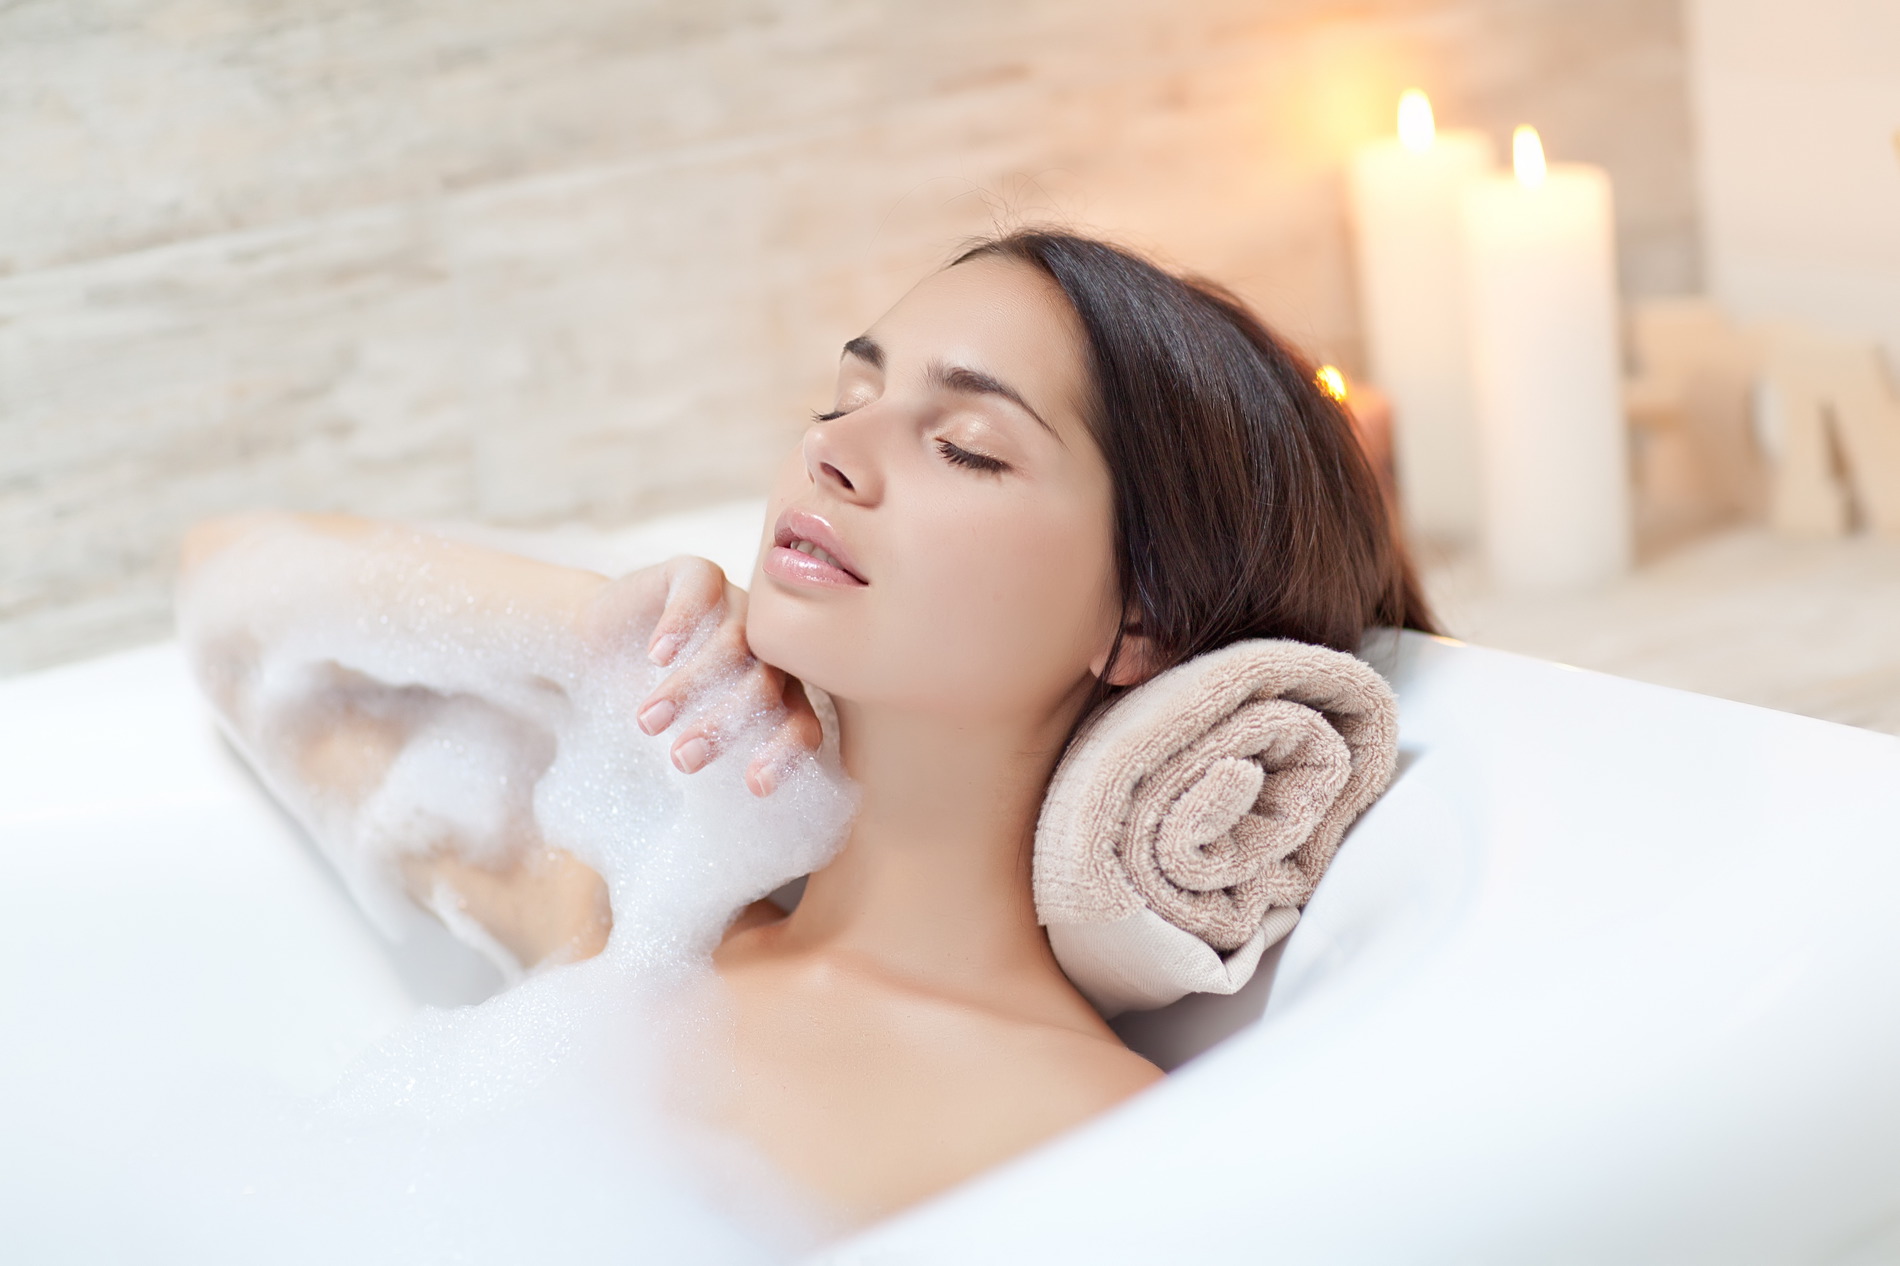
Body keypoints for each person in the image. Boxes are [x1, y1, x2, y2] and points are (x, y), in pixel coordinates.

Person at [181, 230, 1434, 1225]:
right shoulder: (632, 912)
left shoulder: (1094, 1131)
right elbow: (226, 596)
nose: (834, 450)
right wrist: (591, 629)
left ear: (1142, 621)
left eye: (965, 446)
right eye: (846, 394)